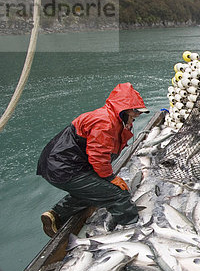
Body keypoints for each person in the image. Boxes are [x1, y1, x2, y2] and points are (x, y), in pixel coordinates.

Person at [37, 82, 149, 236]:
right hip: (64, 168)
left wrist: (106, 179)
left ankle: (55, 215)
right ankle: (130, 231)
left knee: (96, 190)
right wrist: (110, 178)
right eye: (135, 112)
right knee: (118, 195)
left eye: (139, 113)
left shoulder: (113, 119)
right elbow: (98, 155)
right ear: (123, 110)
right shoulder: (105, 123)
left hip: (64, 164)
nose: (137, 116)